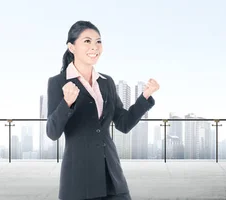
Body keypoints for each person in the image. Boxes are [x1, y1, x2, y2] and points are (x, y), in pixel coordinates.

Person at [46, 20, 159, 200]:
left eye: (98, 41)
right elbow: (52, 132)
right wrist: (66, 103)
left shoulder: (106, 82)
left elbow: (124, 123)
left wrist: (145, 97)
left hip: (112, 177)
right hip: (79, 180)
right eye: (87, 41)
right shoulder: (58, 82)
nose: (95, 47)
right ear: (71, 47)